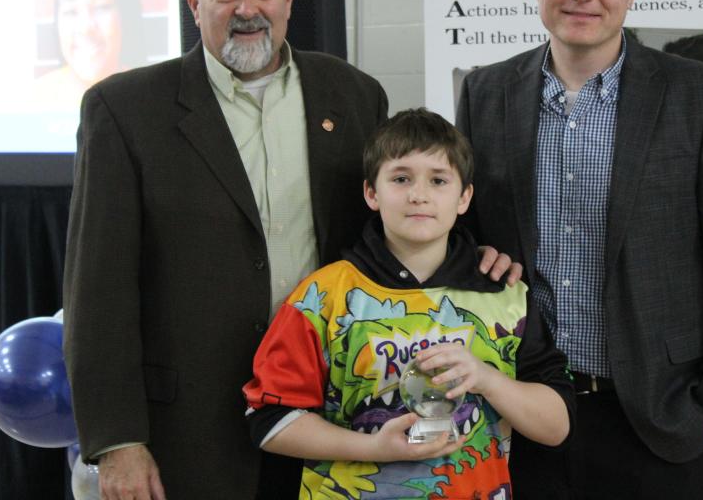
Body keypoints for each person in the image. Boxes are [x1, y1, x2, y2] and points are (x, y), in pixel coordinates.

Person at [63, 0, 518, 500]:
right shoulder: (125, 109)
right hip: (187, 427)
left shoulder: (353, 94)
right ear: (194, 3)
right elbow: (97, 288)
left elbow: (391, 222)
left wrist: (470, 256)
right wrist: (117, 440)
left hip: (334, 421)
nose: (247, 8)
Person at [457, 0, 703, 499]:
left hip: (663, 420)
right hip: (527, 414)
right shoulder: (486, 92)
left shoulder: (699, 94)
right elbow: (467, 237)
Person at [243, 108, 574, 498]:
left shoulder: (506, 295)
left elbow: (556, 427)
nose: (419, 195)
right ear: (372, 192)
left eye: (438, 180)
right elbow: (268, 420)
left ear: (464, 196)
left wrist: (486, 379)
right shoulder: (321, 297)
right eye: (401, 179)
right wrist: (373, 448)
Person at [35, 0, 147, 110]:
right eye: (71, 11)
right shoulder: (36, 99)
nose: (86, 27)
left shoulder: (148, 96)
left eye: (101, 6)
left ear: (126, 14)